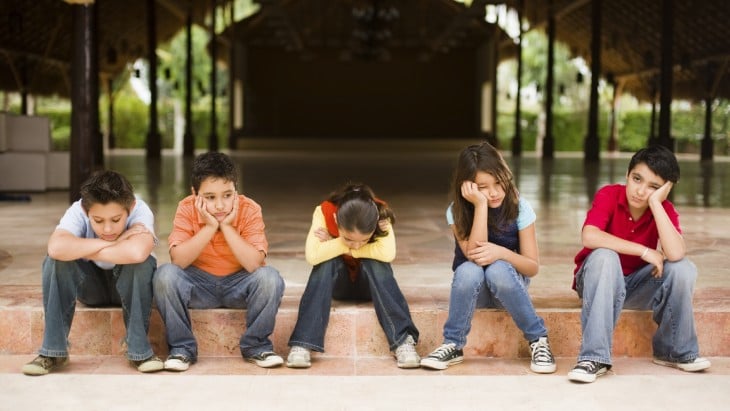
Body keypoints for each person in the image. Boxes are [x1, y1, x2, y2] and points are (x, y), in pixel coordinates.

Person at [568, 145, 711, 383]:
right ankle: (594, 358)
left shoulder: (663, 209)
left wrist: (656, 204)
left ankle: (674, 351)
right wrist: (645, 251)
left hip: (635, 286)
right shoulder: (609, 194)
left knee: (683, 268)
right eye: (637, 179)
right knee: (605, 256)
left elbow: (675, 254)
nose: (640, 191)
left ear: (665, 190)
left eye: (653, 187)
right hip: (597, 280)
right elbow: (590, 236)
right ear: (627, 175)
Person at [420, 142, 556, 374]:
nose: (493, 192)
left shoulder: (519, 207)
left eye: (498, 182)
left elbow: (532, 267)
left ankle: (538, 340)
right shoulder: (457, 211)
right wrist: (481, 206)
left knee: (498, 269)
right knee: (467, 269)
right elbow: (474, 254)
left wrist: (502, 253)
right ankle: (452, 344)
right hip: (476, 293)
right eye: (483, 187)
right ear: (467, 186)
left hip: (509, 289)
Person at [153, 152, 285, 371]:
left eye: (227, 195)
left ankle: (257, 346)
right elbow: (178, 261)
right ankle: (182, 349)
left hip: (239, 284)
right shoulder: (186, 208)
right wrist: (210, 226)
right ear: (195, 194)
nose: (220, 205)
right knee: (165, 275)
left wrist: (227, 227)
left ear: (236, 190)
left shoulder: (250, 209)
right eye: (210, 197)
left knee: (270, 278)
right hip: (198, 285)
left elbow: (254, 264)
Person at [22, 171, 162, 375]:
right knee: (55, 261)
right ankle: (53, 352)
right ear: (86, 212)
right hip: (91, 287)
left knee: (142, 263)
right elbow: (56, 248)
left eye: (116, 220)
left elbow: (137, 251)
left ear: (130, 208)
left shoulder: (140, 210)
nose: (107, 228)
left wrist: (83, 247)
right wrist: (114, 242)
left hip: (128, 284)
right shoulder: (77, 210)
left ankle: (139, 351)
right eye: (98, 220)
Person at [286, 183, 420, 369]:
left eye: (364, 240)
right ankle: (302, 343)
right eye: (349, 238)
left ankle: (404, 341)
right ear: (336, 218)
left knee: (376, 262)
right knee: (325, 262)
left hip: (369, 285)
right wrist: (363, 247)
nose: (356, 246)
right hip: (340, 284)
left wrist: (334, 243)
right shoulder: (325, 211)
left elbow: (387, 253)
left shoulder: (380, 212)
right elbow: (313, 255)